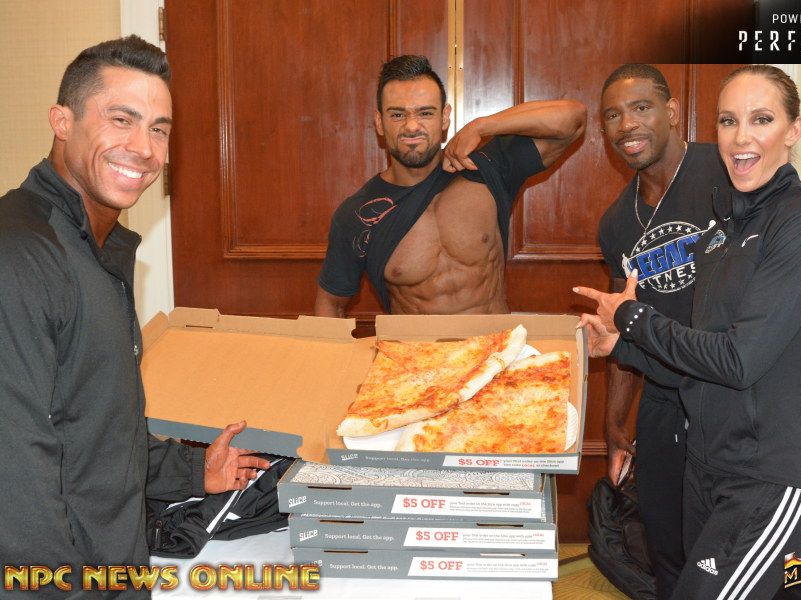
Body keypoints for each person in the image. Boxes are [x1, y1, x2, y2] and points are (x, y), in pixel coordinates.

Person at [0, 36, 269, 596]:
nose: (144, 148)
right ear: (62, 121)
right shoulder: (20, 256)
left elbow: (94, 427)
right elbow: (15, 481)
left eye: (159, 129)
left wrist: (193, 472)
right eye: (121, 120)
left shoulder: (98, 251)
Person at [595, 64, 801, 599]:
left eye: (761, 119)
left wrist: (632, 320)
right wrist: (623, 346)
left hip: (768, 463)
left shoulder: (790, 210)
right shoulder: (718, 234)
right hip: (706, 447)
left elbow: (742, 355)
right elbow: (704, 353)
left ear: (793, 130)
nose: (741, 137)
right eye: (728, 121)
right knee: (710, 574)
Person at [314, 55, 586, 316]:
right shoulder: (359, 215)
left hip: (494, 345)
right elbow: (330, 304)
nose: (412, 126)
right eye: (397, 115)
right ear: (379, 123)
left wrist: (481, 126)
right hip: (416, 349)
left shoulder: (485, 169)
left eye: (425, 113)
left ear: (445, 118)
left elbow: (573, 117)